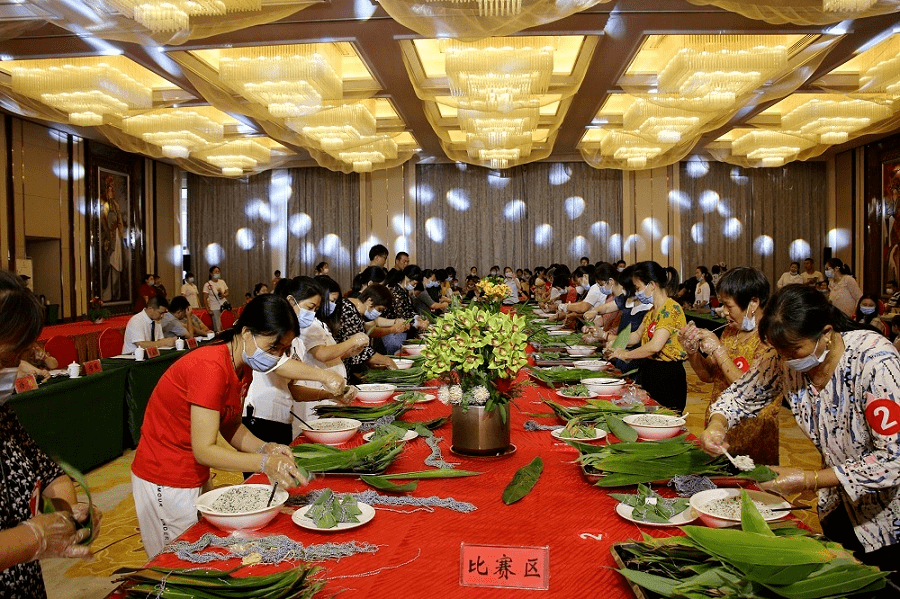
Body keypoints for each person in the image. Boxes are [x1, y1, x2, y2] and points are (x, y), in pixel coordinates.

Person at [700, 285, 900, 589]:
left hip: (889, 515)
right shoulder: (784, 358)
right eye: (780, 352)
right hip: (838, 504)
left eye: (794, 351)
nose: (787, 360)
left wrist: (809, 479)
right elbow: (740, 396)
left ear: (827, 332)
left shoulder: (875, 362)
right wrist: (718, 423)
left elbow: (893, 457)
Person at [131, 295, 331, 558]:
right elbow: (204, 450)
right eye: (273, 348)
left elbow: (231, 425)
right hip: (165, 475)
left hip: (193, 472)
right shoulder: (210, 367)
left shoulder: (241, 366)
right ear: (247, 333)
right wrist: (262, 463)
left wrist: (266, 447)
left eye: (282, 351)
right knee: (174, 559)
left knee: (199, 548)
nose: (276, 357)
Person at [0, 271, 102, 596]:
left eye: (17, 358)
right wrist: (35, 537)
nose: (12, 370)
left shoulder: (3, 417)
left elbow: (52, 475)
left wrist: (68, 515)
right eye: (6, 358)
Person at [678, 267, 779, 465]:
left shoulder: (770, 338)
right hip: (719, 424)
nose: (723, 312)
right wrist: (692, 351)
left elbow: (749, 388)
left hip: (753, 433)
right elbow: (708, 376)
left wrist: (718, 350)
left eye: (728, 306)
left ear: (753, 303)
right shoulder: (731, 332)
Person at [242, 280, 353, 445]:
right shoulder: (269, 334)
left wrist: (329, 395)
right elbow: (279, 366)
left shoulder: (298, 343)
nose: (312, 314)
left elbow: (293, 389)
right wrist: (325, 376)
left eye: (316, 310)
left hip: (284, 418)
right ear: (290, 301)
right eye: (309, 308)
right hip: (261, 417)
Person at [607, 261, 688, 412]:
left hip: (667, 375)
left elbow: (655, 346)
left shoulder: (670, 309)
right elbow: (637, 336)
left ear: (652, 285)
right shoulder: (652, 311)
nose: (636, 293)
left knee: (664, 419)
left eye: (638, 288)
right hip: (651, 370)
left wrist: (627, 354)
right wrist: (615, 344)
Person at [331, 283, 398, 381]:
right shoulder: (348, 310)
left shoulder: (355, 311)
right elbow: (355, 347)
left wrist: (371, 362)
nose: (378, 313)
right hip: (336, 367)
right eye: (379, 309)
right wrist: (387, 361)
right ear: (370, 300)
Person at [203, 265, 229, 332]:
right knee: (218, 326)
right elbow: (205, 298)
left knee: (225, 324)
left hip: (223, 306)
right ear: (211, 273)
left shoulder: (222, 282)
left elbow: (227, 292)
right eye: (216, 271)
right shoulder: (207, 284)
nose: (217, 273)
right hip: (214, 307)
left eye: (218, 271)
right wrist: (208, 309)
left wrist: (224, 295)